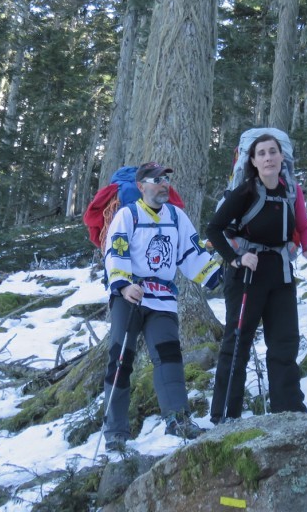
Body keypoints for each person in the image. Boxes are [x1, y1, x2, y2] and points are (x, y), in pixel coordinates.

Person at [101, 162, 222, 451]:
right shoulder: (127, 215)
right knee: (120, 359)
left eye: (166, 179)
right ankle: (116, 432)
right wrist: (123, 283)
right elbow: (115, 249)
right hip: (130, 294)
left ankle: (177, 419)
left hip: (163, 297)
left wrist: (216, 276)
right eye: (156, 180)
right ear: (141, 186)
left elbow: (191, 252)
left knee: (169, 355)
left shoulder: (177, 217)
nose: (163, 184)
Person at [206, 133, 307, 422]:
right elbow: (214, 229)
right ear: (253, 161)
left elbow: (303, 226)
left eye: (273, 152)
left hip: (281, 272)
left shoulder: (291, 190)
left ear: (282, 158)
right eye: (262, 153)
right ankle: (225, 417)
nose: (269, 157)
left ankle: (290, 412)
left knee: (284, 342)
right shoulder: (245, 192)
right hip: (247, 274)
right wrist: (235, 258)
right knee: (237, 343)